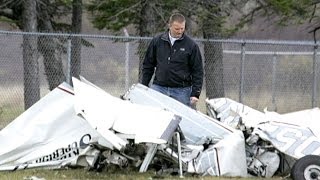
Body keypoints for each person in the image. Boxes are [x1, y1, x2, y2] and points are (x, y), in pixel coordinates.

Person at [141, 13, 204, 107]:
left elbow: (198, 70)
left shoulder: (191, 46)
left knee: (182, 118)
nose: (180, 31)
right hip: (159, 87)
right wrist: (144, 85)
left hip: (182, 91)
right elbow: (148, 65)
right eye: (177, 29)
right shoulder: (157, 41)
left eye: (182, 28)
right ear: (169, 26)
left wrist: (195, 93)